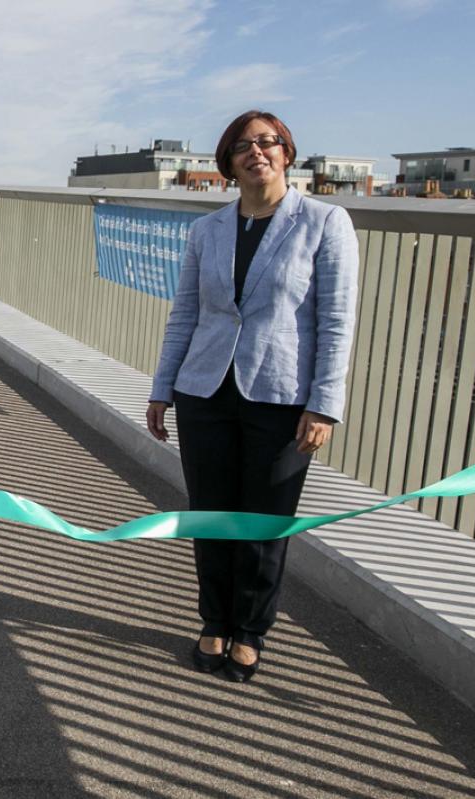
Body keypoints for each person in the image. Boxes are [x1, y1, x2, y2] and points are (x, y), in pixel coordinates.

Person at [145, 110, 358, 683]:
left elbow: (336, 321)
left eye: (268, 142)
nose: (256, 152)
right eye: (243, 145)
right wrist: (163, 388)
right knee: (211, 516)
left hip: (283, 395)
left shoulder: (324, 222)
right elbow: (185, 313)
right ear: (228, 162)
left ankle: (250, 630)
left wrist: (324, 403)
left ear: (287, 153)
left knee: (264, 524)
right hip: (205, 392)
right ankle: (213, 620)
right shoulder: (207, 230)